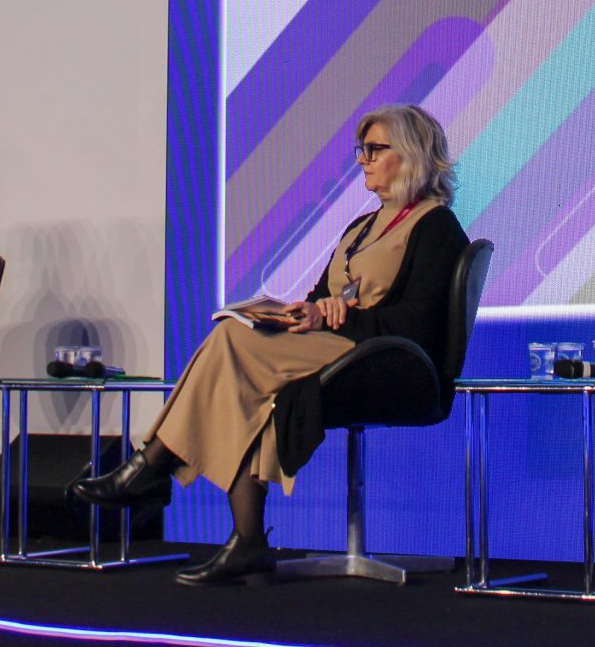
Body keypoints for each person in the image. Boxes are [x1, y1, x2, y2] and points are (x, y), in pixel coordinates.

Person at [72, 103, 469, 585]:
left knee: (232, 343)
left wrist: (339, 317)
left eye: (374, 149)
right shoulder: (361, 227)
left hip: (387, 360)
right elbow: (322, 296)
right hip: (336, 345)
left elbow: (420, 323)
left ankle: (152, 465)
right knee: (245, 364)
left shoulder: (435, 226)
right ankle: (247, 541)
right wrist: (301, 311)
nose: (362, 160)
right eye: (360, 150)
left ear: (409, 155)